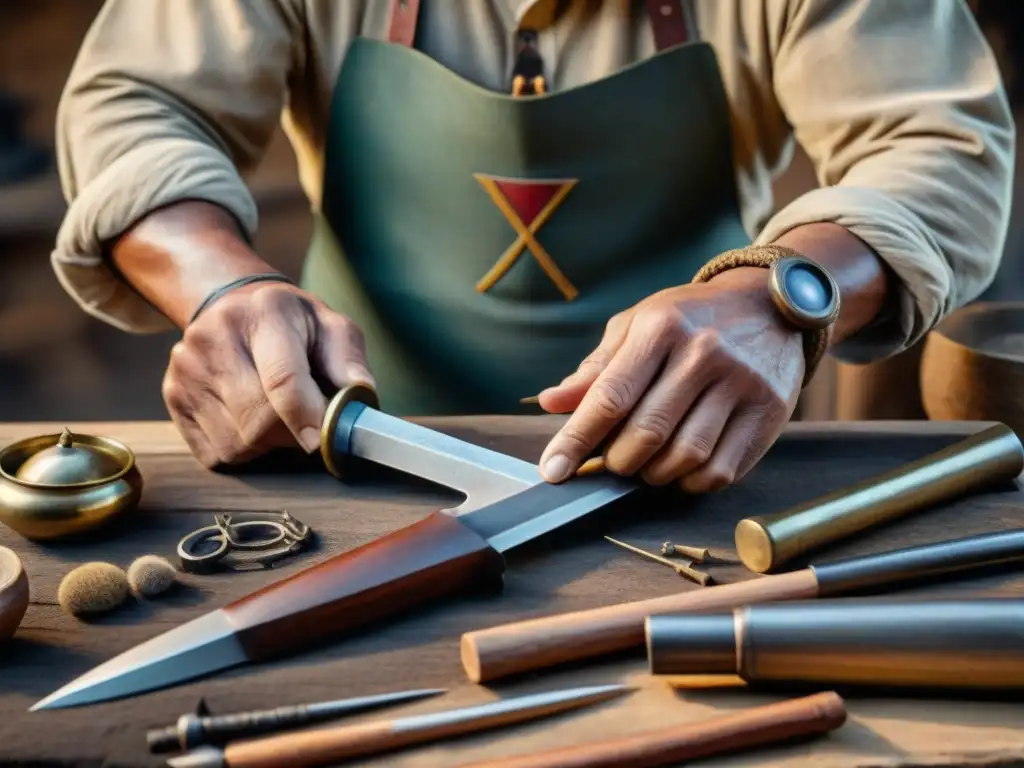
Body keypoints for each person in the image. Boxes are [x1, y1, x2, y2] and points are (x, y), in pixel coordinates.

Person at [52, 0, 1014, 493]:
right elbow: (139, 100)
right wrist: (222, 291)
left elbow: (936, 141)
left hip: (697, 471)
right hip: (345, 455)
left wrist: (782, 295)